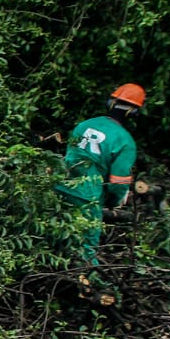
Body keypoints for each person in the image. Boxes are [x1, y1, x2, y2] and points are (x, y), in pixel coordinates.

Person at [55, 83, 144, 267]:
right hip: (87, 197)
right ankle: (92, 285)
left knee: (56, 239)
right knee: (86, 251)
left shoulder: (84, 125)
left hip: (60, 188)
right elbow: (118, 184)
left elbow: (70, 157)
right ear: (135, 113)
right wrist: (112, 203)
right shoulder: (125, 141)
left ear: (110, 102)